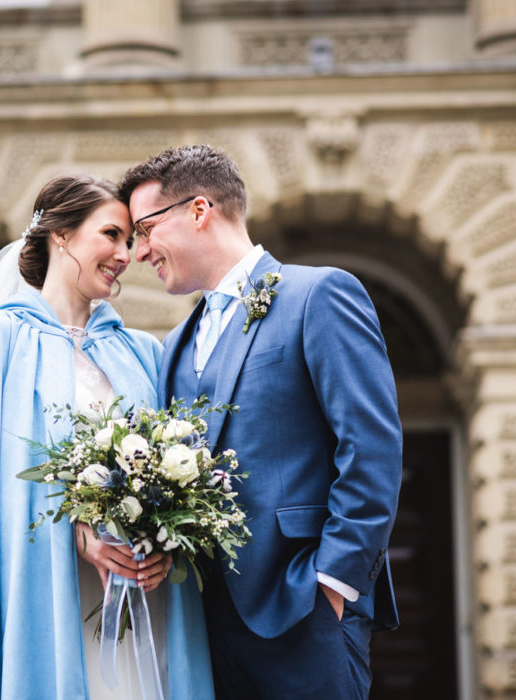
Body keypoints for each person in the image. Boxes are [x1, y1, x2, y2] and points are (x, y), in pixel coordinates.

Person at [118, 145, 402, 700]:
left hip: (305, 608)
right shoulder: (172, 346)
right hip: (203, 626)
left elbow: (371, 448)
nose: (140, 252)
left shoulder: (317, 295)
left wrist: (332, 583)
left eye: (146, 229)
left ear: (200, 210)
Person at [0, 174, 214, 700]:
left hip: (143, 598)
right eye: (110, 234)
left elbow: (170, 470)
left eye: (130, 240)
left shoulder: (141, 352)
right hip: (46, 589)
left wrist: (164, 545)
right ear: (60, 235)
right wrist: (75, 532)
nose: (125, 254)